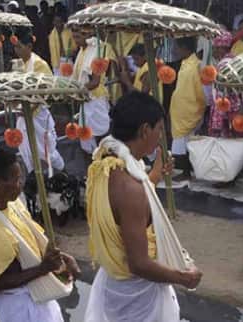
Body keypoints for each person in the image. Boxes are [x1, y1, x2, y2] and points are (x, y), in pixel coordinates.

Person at [84, 92, 202, 321]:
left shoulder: (104, 161)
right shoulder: (129, 187)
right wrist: (183, 277)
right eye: (159, 129)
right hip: (137, 298)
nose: (161, 136)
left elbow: (123, 207)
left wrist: (154, 175)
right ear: (145, 130)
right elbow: (138, 264)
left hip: (112, 285)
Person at [0, 148, 80, 322]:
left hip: (39, 293)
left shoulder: (12, 204)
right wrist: (42, 268)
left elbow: (31, 244)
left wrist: (61, 258)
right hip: (18, 306)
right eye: (17, 179)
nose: (21, 183)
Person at [13, 31, 65, 175]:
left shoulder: (39, 64)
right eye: (15, 47)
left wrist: (31, 108)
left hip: (38, 115)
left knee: (46, 152)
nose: (16, 51)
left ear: (29, 46)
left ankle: (64, 175)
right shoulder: (20, 65)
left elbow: (47, 91)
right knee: (27, 152)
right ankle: (38, 183)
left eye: (19, 47)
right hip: (23, 115)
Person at [169, 36, 208, 182]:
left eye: (177, 47)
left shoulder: (196, 65)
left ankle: (187, 172)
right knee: (183, 144)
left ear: (184, 48)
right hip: (181, 110)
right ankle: (187, 171)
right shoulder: (185, 63)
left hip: (191, 109)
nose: (176, 50)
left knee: (187, 144)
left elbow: (201, 89)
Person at [72, 29, 116, 154]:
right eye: (74, 37)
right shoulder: (82, 50)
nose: (75, 40)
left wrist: (74, 91)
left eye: (78, 36)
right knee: (87, 142)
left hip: (95, 99)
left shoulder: (97, 49)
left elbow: (95, 82)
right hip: (84, 99)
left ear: (87, 34)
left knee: (101, 137)